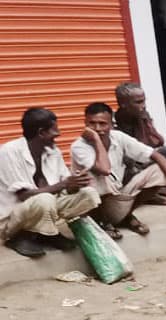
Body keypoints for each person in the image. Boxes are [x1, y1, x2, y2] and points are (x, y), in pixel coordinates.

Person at [70, 102, 166, 239]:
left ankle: (126, 216)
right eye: (92, 124)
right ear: (85, 123)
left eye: (103, 124)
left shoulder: (118, 137)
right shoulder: (79, 146)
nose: (97, 128)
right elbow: (104, 169)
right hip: (94, 204)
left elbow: (156, 155)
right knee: (94, 176)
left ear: (111, 124)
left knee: (158, 170)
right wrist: (97, 141)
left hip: (116, 193)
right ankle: (102, 221)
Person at [0, 108, 100, 258]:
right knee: (44, 199)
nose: (58, 134)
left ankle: (46, 234)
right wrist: (64, 184)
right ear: (41, 132)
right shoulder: (9, 152)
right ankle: (20, 237)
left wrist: (76, 184)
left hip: (45, 208)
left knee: (89, 194)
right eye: (54, 130)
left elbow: (65, 187)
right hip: (13, 218)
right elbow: (24, 195)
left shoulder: (53, 152)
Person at [114, 82, 166, 165]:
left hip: (144, 156)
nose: (144, 106)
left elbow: (157, 141)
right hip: (127, 164)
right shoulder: (114, 123)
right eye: (138, 102)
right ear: (123, 104)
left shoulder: (143, 115)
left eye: (144, 101)